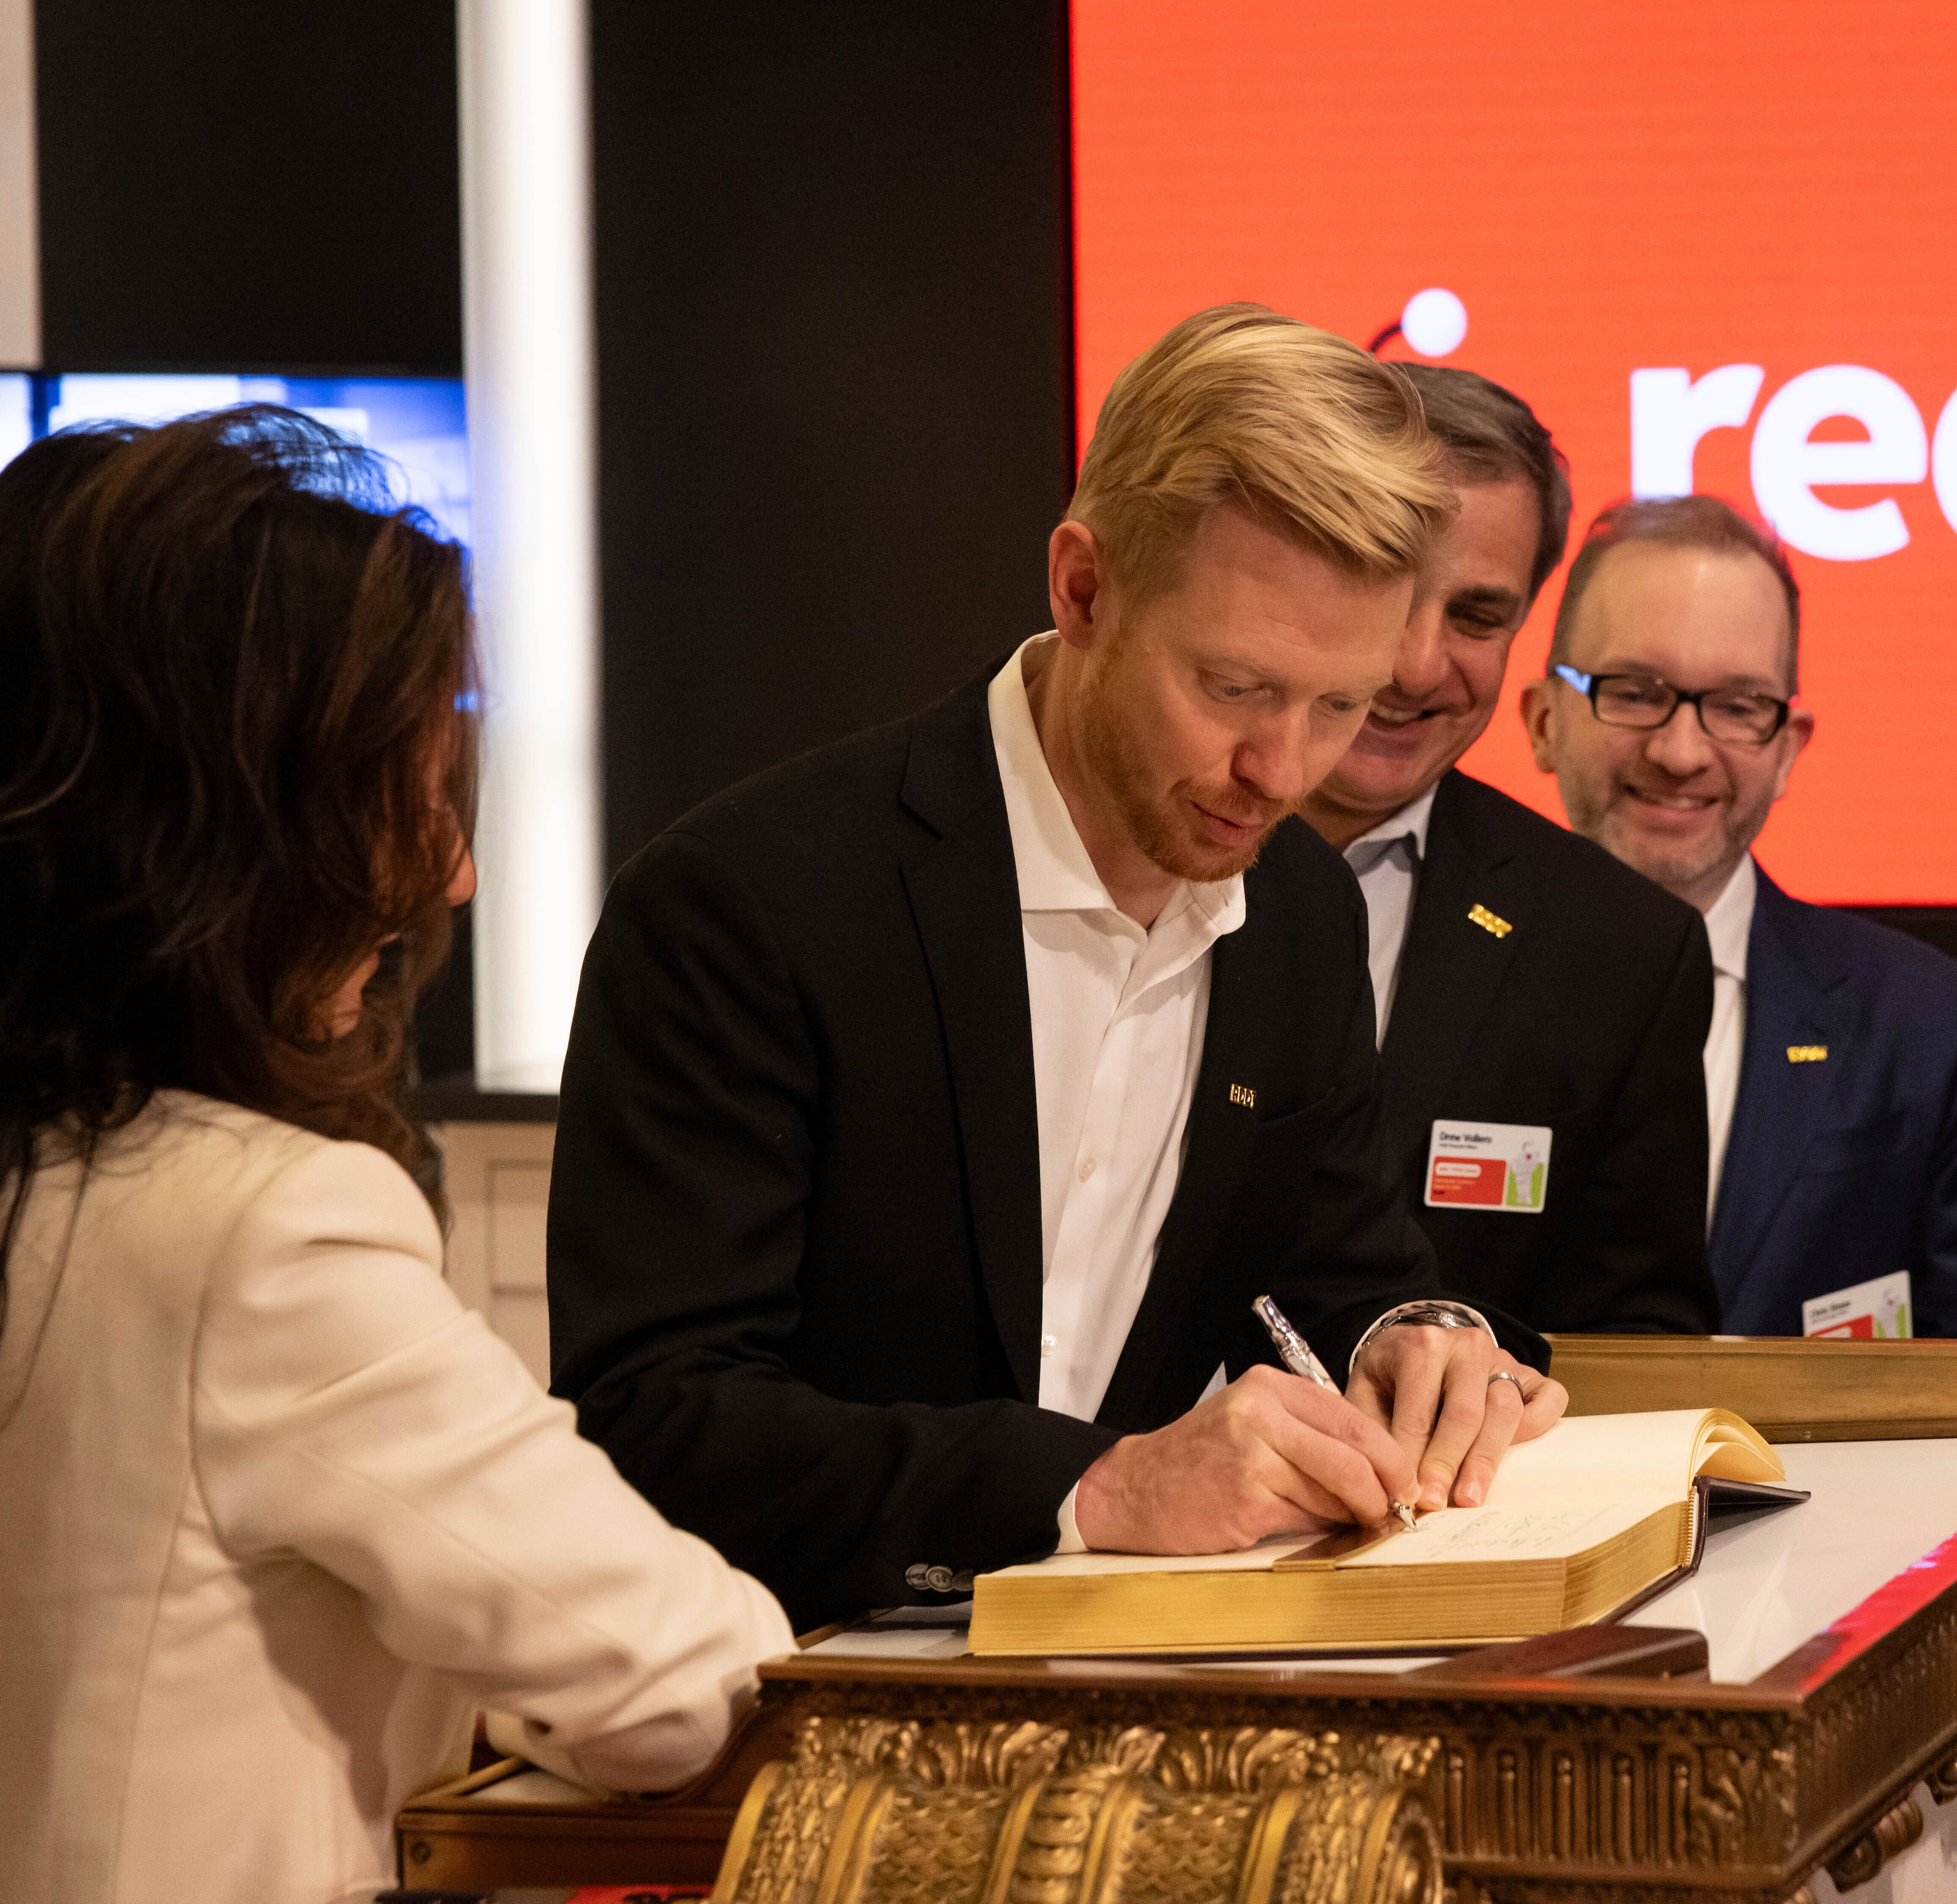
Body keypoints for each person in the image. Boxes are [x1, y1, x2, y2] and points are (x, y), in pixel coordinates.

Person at [0, 410, 791, 1904]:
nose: (450, 868)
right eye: (406, 780)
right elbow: (682, 1679)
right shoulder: (262, 1238)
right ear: (220, 814)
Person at [548, 306, 1564, 1634]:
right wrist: (1091, 1487)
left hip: (1147, 1695)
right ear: (1082, 589)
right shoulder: (749, 905)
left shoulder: (1299, 910)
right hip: (770, 1687)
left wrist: (1414, 1345)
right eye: (1237, 689)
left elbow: (1334, 1269)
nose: (1285, 772)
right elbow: (656, 1417)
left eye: (1341, 705)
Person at [1520, 495, 1957, 1340]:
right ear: (1546, 721)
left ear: (1789, 746)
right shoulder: (1427, 988)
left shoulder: (1922, 1025)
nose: (1681, 751)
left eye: (1736, 705)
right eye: (1634, 691)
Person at [1295, 367, 1715, 1336]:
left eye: (1478, 617)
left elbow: (1634, 1357)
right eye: (1385, 592)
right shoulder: (1123, 852)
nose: (1413, 666)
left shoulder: (1621, 955)